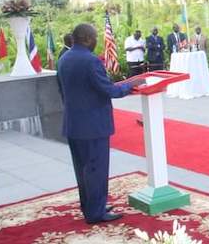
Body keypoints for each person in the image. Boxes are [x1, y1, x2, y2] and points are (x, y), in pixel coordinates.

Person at [57, 23, 144, 225]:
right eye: (95, 38)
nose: (97, 42)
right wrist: (131, 85)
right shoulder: (90, 61)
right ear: (87, 39)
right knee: (96, 169)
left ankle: (90, 207)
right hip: (93, 126)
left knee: (82, 170)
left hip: (73, 124)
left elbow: (62, 91)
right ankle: (96, 213)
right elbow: (108, 90)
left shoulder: (64, 58)